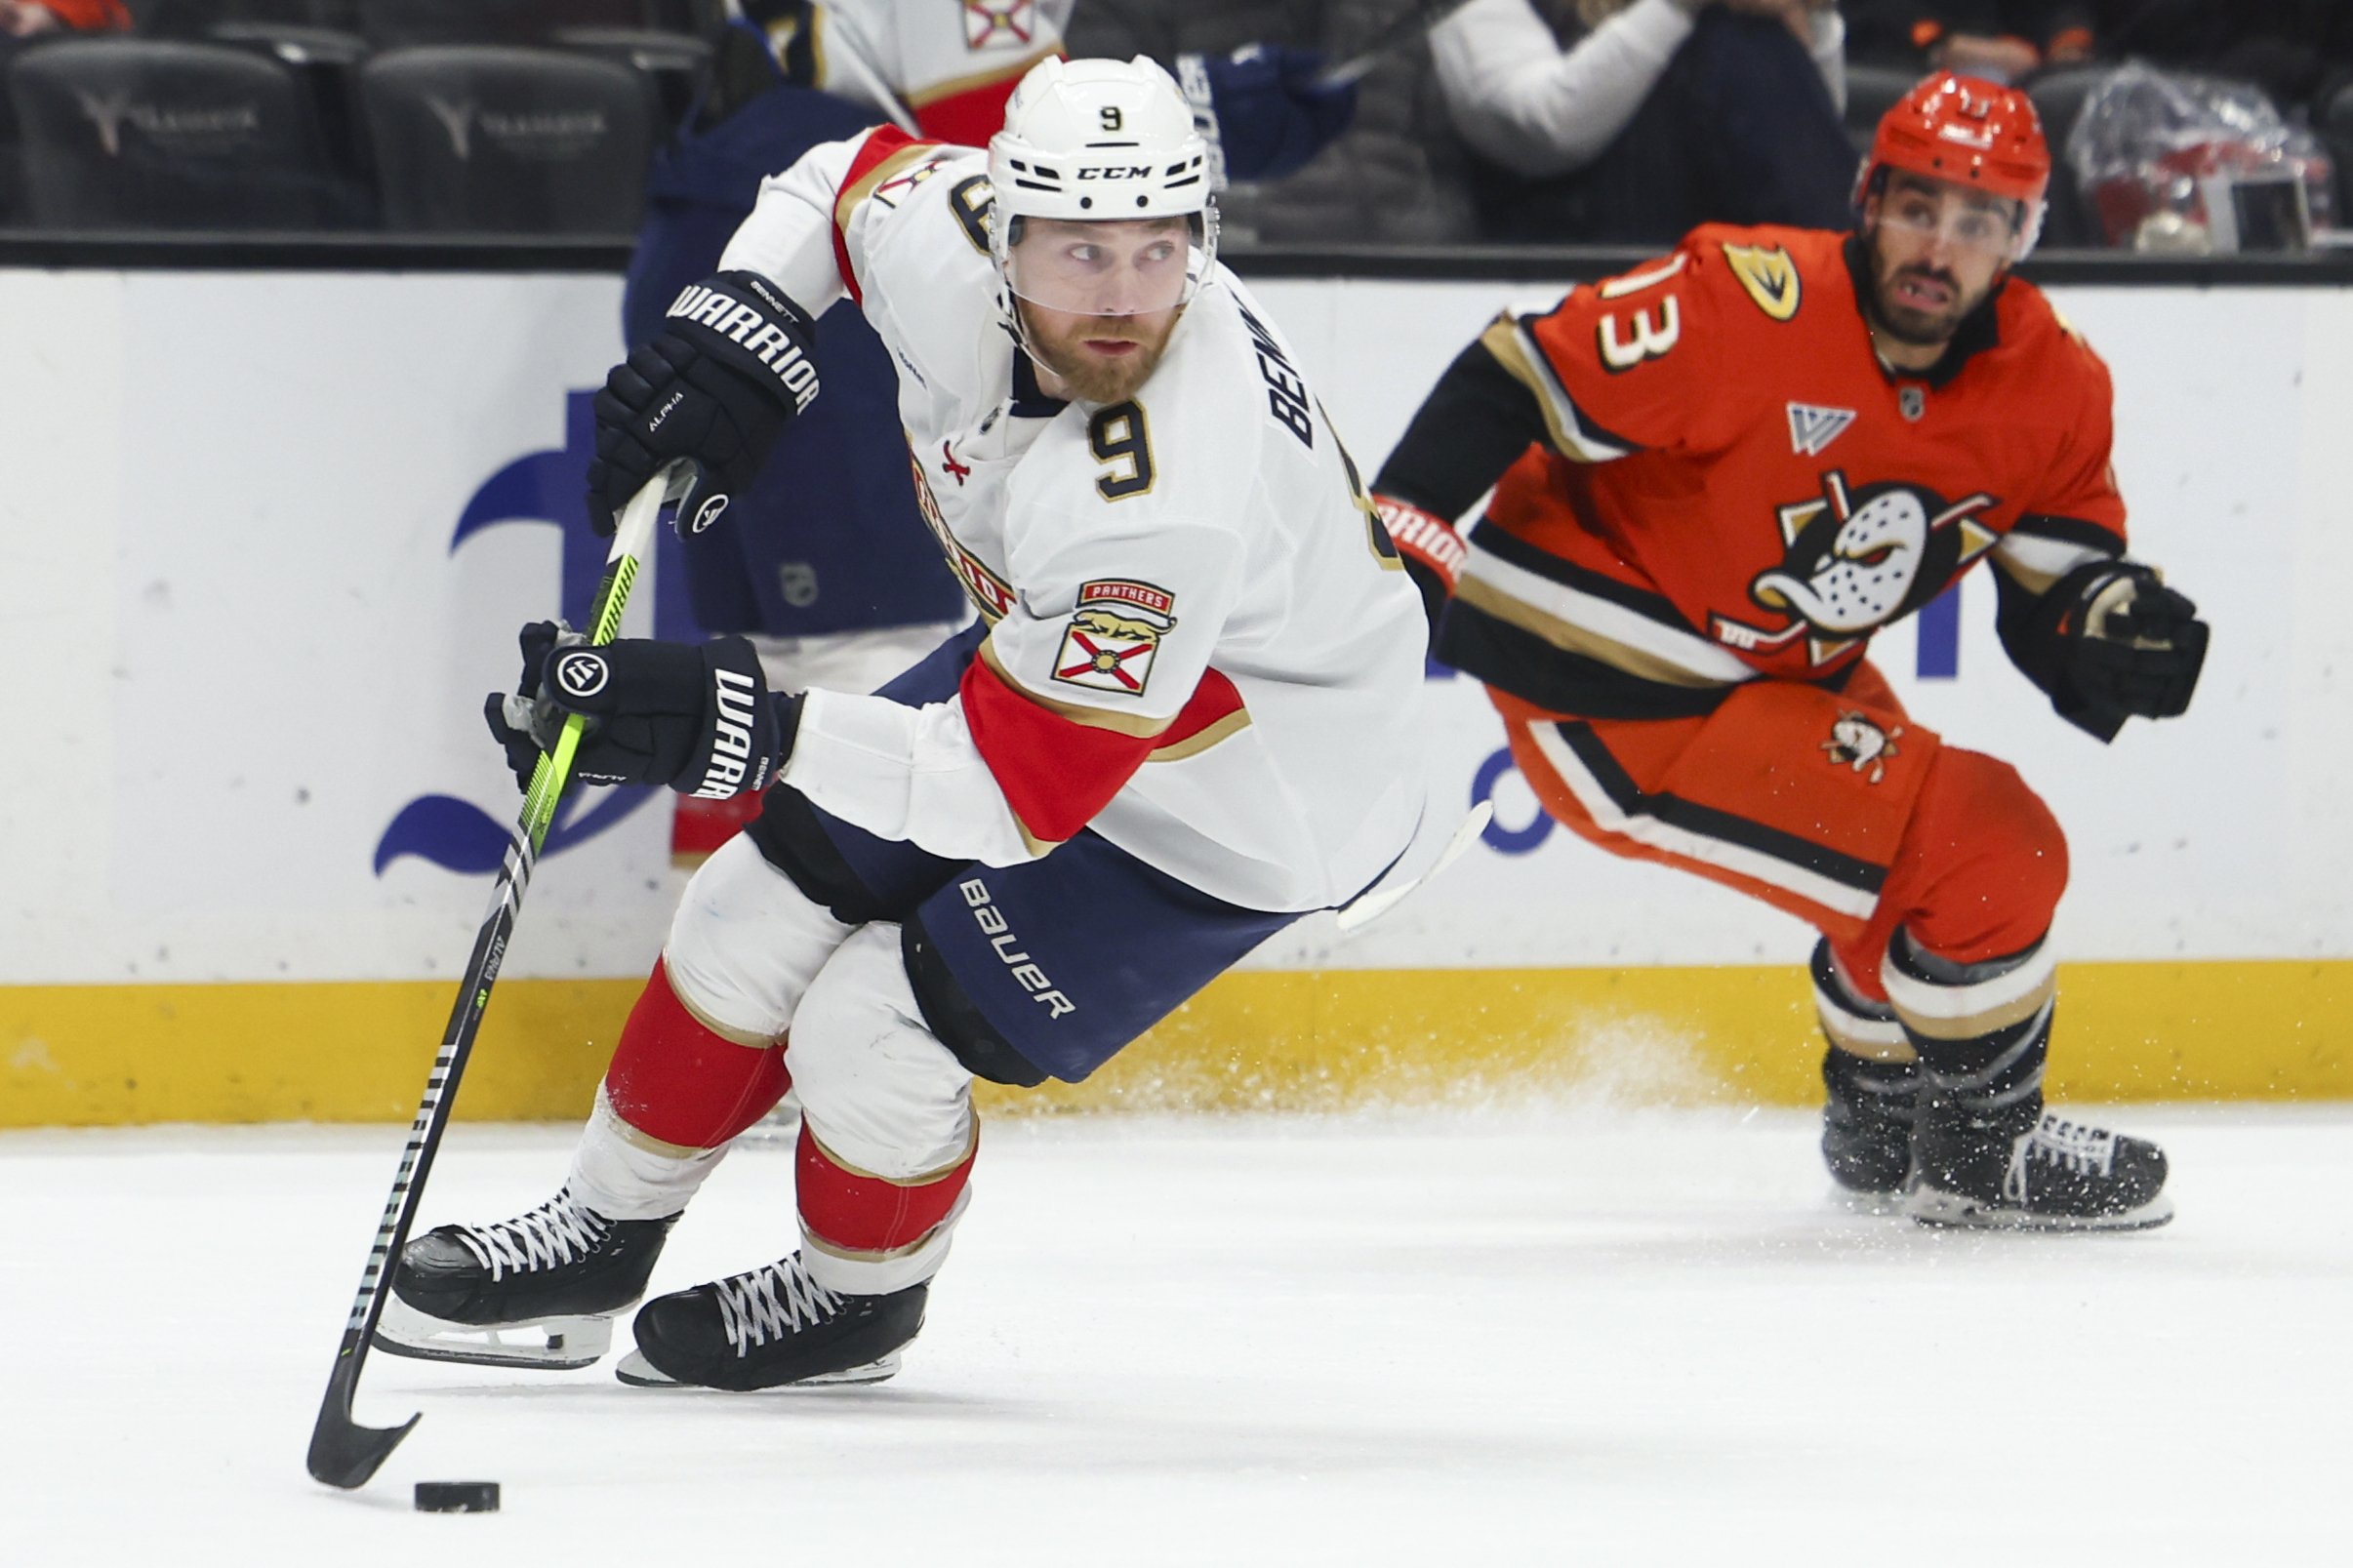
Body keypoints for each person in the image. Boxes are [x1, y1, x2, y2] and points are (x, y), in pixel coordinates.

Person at [376, 56, 1431, 1389]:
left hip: (1249, 801)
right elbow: (833, 181)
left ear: (1201, 242)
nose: (1118, 300)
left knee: (870, 1019)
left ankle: (855, 1295)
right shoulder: (946, 239)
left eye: (1157, 253)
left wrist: (742, 724)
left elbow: (1006, 791)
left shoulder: (1157, 497)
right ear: (1000, 228)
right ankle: (596, 1234)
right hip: (1058, 687)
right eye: (1078, 250)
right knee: (749, 900)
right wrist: (739, 327)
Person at [1370, 73, 2207, 1229]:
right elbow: (1522, 367)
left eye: (1977, 221)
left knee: (1921, 878)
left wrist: (2112, 631)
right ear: (1865, 199)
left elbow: (2059, 581)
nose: (1937, 246)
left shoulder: (2053, 387)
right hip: (1612, 687)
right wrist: (1408, 517)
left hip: (1773, 670)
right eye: (1916, 207)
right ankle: (1977, 1148)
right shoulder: (1742, 302)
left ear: (2022, 235)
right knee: (1987, 844)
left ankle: (1878, 1122)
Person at [1430, 0, 1861, 242]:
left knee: (1742, 41)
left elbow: (1811, 129)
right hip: (1566, 248)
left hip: (1719, 251)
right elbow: (1541, 127)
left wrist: (1812, 15)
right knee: (1729, 43)